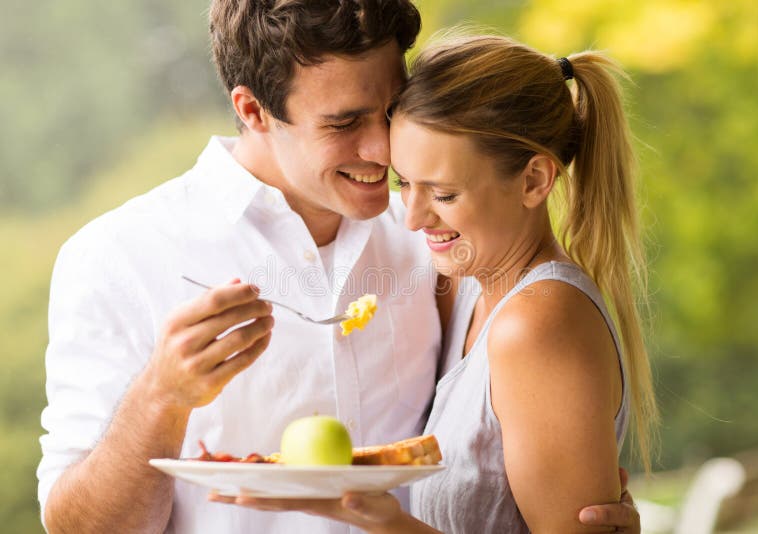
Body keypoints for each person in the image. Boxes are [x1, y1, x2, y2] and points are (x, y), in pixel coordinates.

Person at [37, 1, 641, 532]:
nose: (382, 151)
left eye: (390, 110)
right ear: (253, 111)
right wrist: (160, 399)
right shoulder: (119, 256)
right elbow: (80, 529)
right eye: (346, 122)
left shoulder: (438, 244)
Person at [211, 33, 657, 533]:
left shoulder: (535, 326)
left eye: (443, 194)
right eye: (405, 183)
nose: (413, 218)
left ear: (534, 181)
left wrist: (390, 524)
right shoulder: (469, 293)